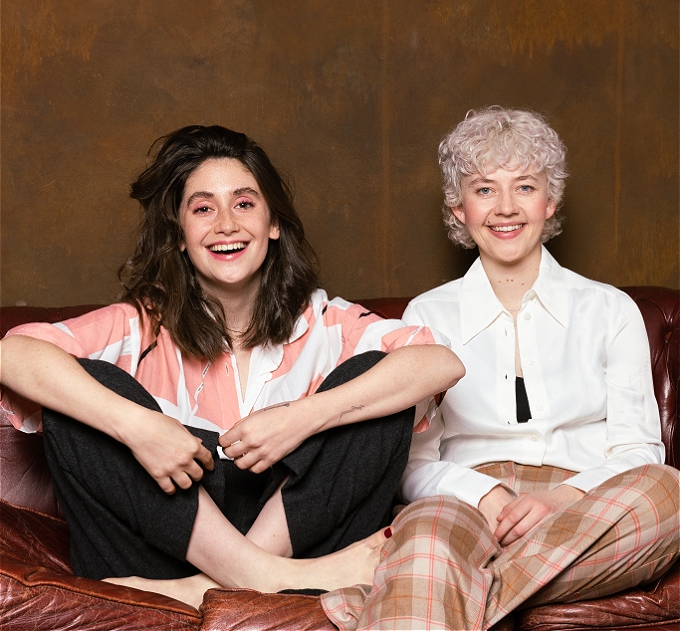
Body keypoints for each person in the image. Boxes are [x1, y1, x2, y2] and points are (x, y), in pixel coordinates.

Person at [0, 125, 464, 609]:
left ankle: (207, 587)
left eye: (244, 203)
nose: (226, 224)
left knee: (376, 379)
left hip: (300, 537)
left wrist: (304, 416)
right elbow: (12, 353)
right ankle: (263, 576)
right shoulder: (140, 323)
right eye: (203, 208)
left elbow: (439, 364)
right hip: (164, 553)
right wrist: (139, 428)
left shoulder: (326, 320)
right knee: (86, 386)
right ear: (180, 235)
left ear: (273, 224)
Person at [321, 107, 679, 630]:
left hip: (589, 507)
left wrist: (561, 499)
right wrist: (483, 494)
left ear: (550, 200)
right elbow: (413, 463)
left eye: (526, 187)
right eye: (484, 189)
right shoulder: (427, 315)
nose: (506, 208)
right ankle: (432, 571)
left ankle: (422, 590)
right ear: (457, 207)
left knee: (669, 493)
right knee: (426, 537)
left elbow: (638, 451)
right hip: (463, 501)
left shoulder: (610, 309)